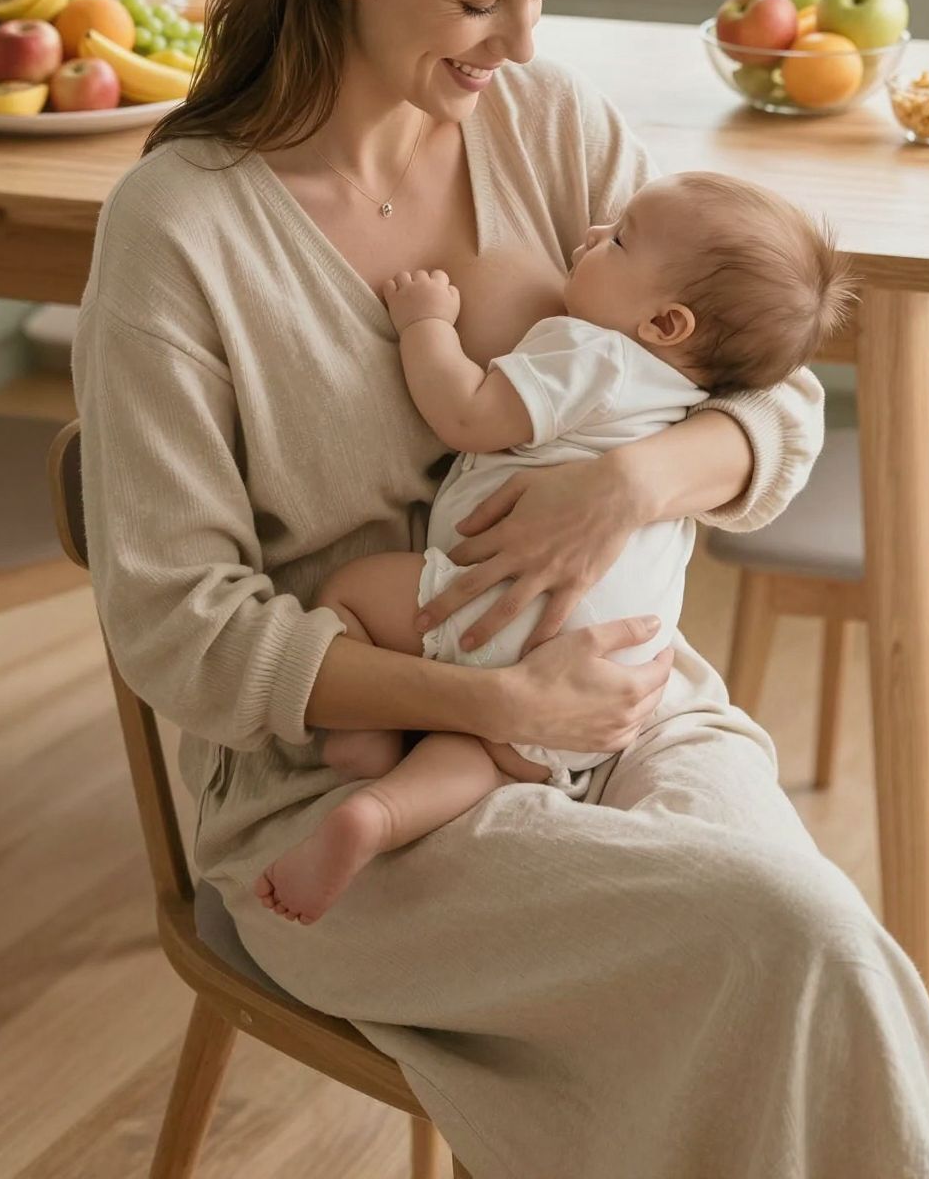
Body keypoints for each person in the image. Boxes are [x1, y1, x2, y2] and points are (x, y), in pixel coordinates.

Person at [75, 0, 929, 1179]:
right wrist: (488, 695)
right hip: (344, 796)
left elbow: (776, 395)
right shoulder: (181, 235)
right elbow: (176, 627)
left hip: (623, 709)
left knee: (814, 953)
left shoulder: (547, 132)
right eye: (481, 0)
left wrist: (631, 482)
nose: (521, 43)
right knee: (776, 945)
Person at [257, 171, 854, 925]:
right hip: (615, 674)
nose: (591, 236)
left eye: (618, 239)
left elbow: (469, 416)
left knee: (351, 588)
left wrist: (425, 326)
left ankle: (366, 747)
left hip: (505, 616)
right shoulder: (689, 397)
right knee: (486, 749)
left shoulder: (591, 354)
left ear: (665, 324)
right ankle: (379, 814)